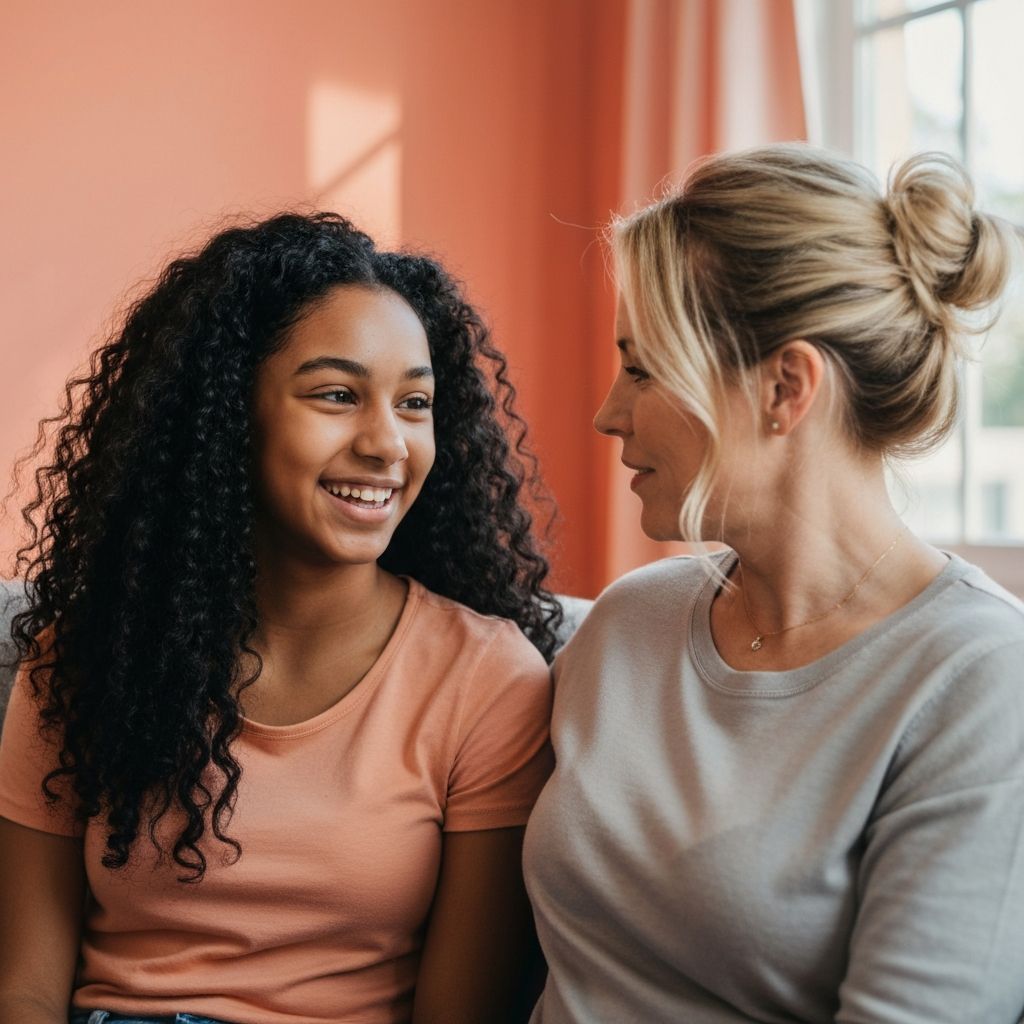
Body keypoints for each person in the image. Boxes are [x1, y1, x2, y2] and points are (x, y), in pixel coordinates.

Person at [0, 212, 561, 1024]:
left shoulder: (487, 681)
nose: (387, 444)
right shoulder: (93, 653)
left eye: (414, 403)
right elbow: (24, 985)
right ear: (231, 418)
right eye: (337, 395)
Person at [524, 145, 1024, 1023]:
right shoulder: (629, 622)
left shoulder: (982, 686)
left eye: (642, 368)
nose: (607, 412)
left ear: (785, 386)